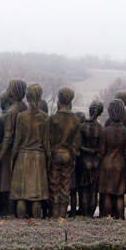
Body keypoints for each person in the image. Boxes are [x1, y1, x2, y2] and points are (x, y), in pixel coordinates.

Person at [10, 83, 50, 218]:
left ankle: (21, 223)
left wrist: (12, 158)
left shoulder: (21, 116)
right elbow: (46, 143)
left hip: (23, 156)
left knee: (21, 195)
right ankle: (36, 224)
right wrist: (48, 159)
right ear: (40, 97)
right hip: (38, 157)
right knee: (36, 197)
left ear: (27, 97)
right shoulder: (45, 117)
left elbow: (17, 141)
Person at [0, 79, 27, 216]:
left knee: (8, 183)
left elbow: (7, 137)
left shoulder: (12, 111)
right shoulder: (25, 107)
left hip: (10, 152)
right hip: (22, 152)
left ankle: (9, 212)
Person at [47, 87, 81, 219]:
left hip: (55, 154)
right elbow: (77, 143)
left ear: (59, 99)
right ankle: (62, 216)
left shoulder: (53, 119)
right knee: (65, 186)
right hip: (68, 155)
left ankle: (54, 215)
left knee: (54, 185)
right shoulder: (76, 120)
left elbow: (48, 140)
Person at [98, 100, 126, 219]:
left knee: (107, 193)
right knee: (119, 195)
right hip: (120, 164)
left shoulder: (105, 131)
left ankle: (107, 217)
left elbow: (101, 152)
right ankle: (121, 218)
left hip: (107, 163)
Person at [79, 100, 103, 217]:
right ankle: (90, 214)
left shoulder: (83, 127)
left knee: (84, 191)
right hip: (96, 162)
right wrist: (95, 152)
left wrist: (88, 151)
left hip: (85, 161)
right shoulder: (100, 128)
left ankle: (84, 214)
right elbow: (101, 148)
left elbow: (79, 145)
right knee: (93, 191)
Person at [69, 111, 86, 217]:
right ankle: (80, 209)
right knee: (79, 190)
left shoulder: (74, 132)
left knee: (73, 190)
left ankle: (74, 210)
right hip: (81, 164)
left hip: (75, 164)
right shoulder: (83, 132)